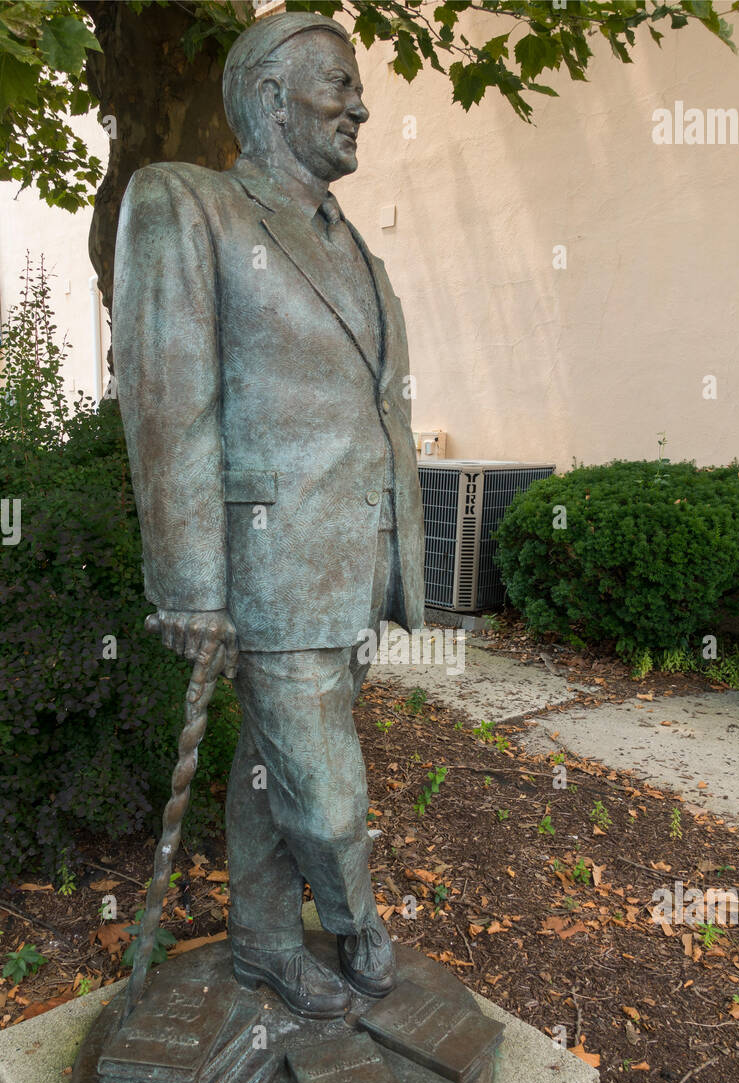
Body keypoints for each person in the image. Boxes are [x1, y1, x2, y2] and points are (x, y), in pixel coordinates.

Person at [113, 10, 425, 1019]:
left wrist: (395, 564)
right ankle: (356, 926)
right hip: (263, 568)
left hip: (351, 569)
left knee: (268, 770)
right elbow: (168, 404)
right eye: (338, 83)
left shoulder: (358, 253)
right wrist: (191, 585)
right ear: (269, 98)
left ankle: (259, 946)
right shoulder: (188, 204)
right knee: (327, 797)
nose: (359, 104)